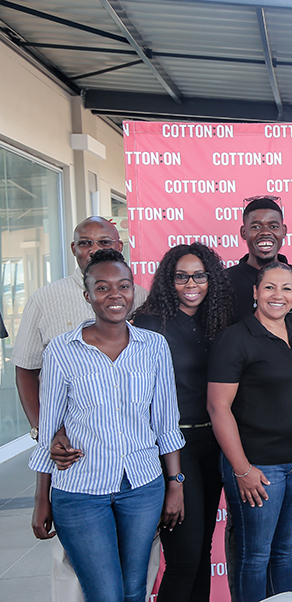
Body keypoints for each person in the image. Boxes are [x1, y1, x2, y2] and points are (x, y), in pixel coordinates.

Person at [28, 249, 184, 602]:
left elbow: (165, 423)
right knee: (104, 594)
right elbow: (49, 428)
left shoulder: (154, 347)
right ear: (87, 296)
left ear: (133, 291)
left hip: (142, 487)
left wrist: (175, 484)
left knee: (134, 589)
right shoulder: (62, 351)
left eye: (123, 285)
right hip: (80, 492)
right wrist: (41, 498)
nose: (115, 295)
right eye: (102, 287)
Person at [15, 217, 150, 601]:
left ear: (119, 246)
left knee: (132, 579)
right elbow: (26, 369)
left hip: (132, 467)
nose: (94, 249)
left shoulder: (139, 296)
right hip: (74, 464)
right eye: (85, 243)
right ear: (74, 249)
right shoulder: (46, 298)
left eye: (103, 242)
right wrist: (46, 430)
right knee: (76, 572)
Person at [207, 262, 292, 602]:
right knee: (255, 557)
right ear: (256, 292)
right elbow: (218, 408)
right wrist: (242, 469)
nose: (278, 295)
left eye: (286, 288)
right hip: (258, 467)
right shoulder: (235, 339)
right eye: (270, 287)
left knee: (286, 552)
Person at [132, 243, 234, 602]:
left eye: (199, 276)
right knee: (183, 557)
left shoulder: (218, 320)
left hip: (214, 444)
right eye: (181, 277)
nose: (191, 284)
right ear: (168, 281)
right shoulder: (149, 323)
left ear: (211, 279)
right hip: (173, 447)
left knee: (202, 551)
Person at [225, 196, 292, 325]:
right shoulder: (224, 281)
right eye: (256, 227)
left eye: (273, 226)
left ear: (284, 231)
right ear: (244, 232)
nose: (265, 232)